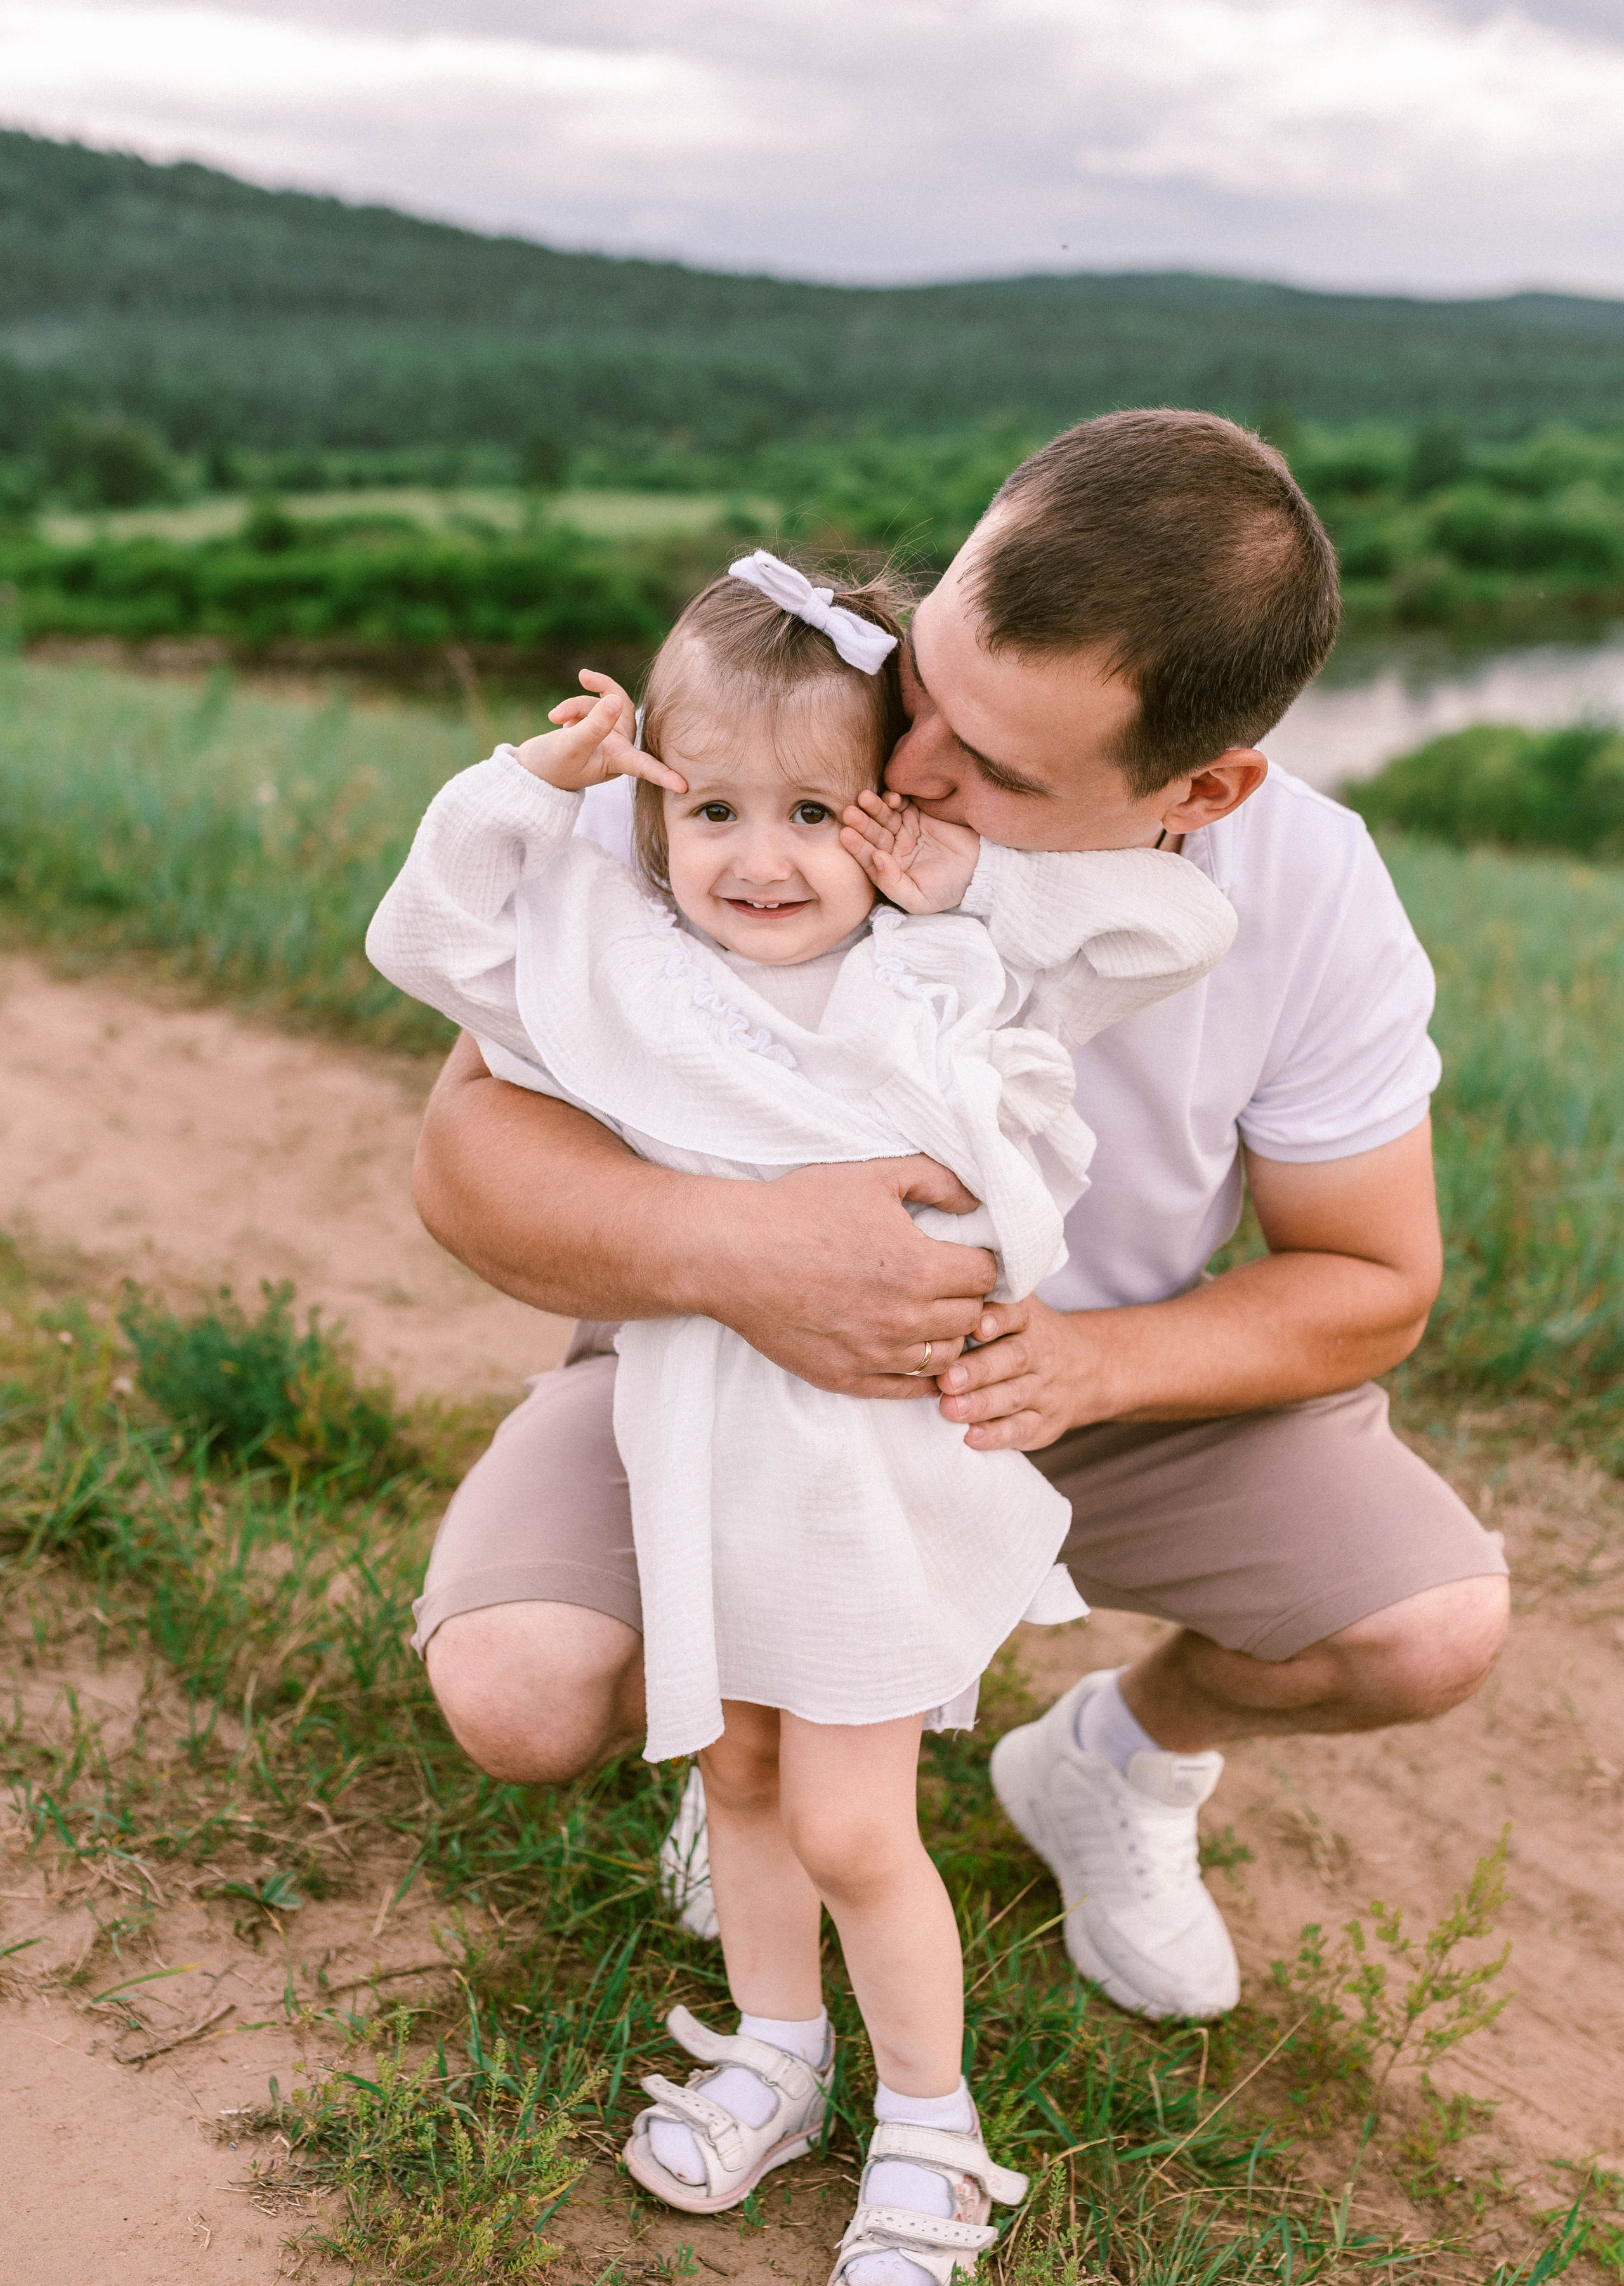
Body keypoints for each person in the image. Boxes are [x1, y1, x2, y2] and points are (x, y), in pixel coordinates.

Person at [406, 407, 1509, 2036]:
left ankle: (1108, 1763)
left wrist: (1084, 1366)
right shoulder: (765, 745)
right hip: (732, 1363)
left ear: (1201, 788)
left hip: (1074, 1385)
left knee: (1428, 1627)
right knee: (518, 1687)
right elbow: (461, 1156)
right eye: (922, 678)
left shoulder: (1308, 891)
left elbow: (1372, 1279)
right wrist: (746, 1257)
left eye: (996, 768)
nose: (906, 765)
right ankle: (754, 1727)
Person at [367, 548, 1236, 2286]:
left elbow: (1175, 925)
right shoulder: (626, 974)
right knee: (742, 1784)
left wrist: (967, 872)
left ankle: (931, 2124)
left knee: (849, 1821)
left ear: (886, 814)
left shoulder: (941, 968)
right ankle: (777, 2050)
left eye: (816, 813)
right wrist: (531, 783)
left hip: (865, 1473)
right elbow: (424, 941)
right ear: (656, 812)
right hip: (701, 1449)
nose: (760, 859)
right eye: (712, 809)